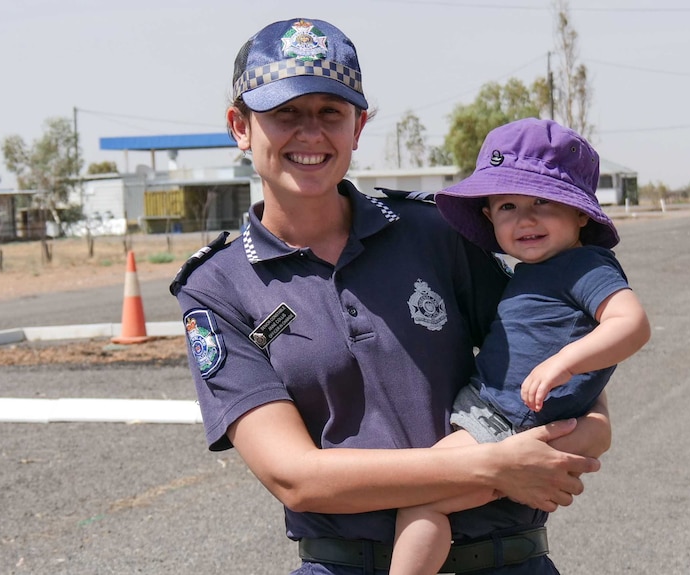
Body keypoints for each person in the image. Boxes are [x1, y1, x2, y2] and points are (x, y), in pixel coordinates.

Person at [170, 18, 612, 575]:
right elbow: (296, 478)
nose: (310, 134)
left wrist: (592, 429)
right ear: (240, 126)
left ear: (357, 127)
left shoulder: (436, 234)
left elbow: (553, 354)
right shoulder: (218, 288)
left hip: (506, 560)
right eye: (285, 114)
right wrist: (496, 467)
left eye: (330, 113)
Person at [390, 119, 651, 575]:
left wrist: (566, 363)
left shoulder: (583, 265)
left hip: (506, 423)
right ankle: (502, 483)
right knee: (430, 496)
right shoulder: (530, 272)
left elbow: (632, 324)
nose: (524, 219)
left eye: (543, 202)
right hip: (491, 415)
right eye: (508, 205)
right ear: (489, 216)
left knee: (421, 499)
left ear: (581, 212)